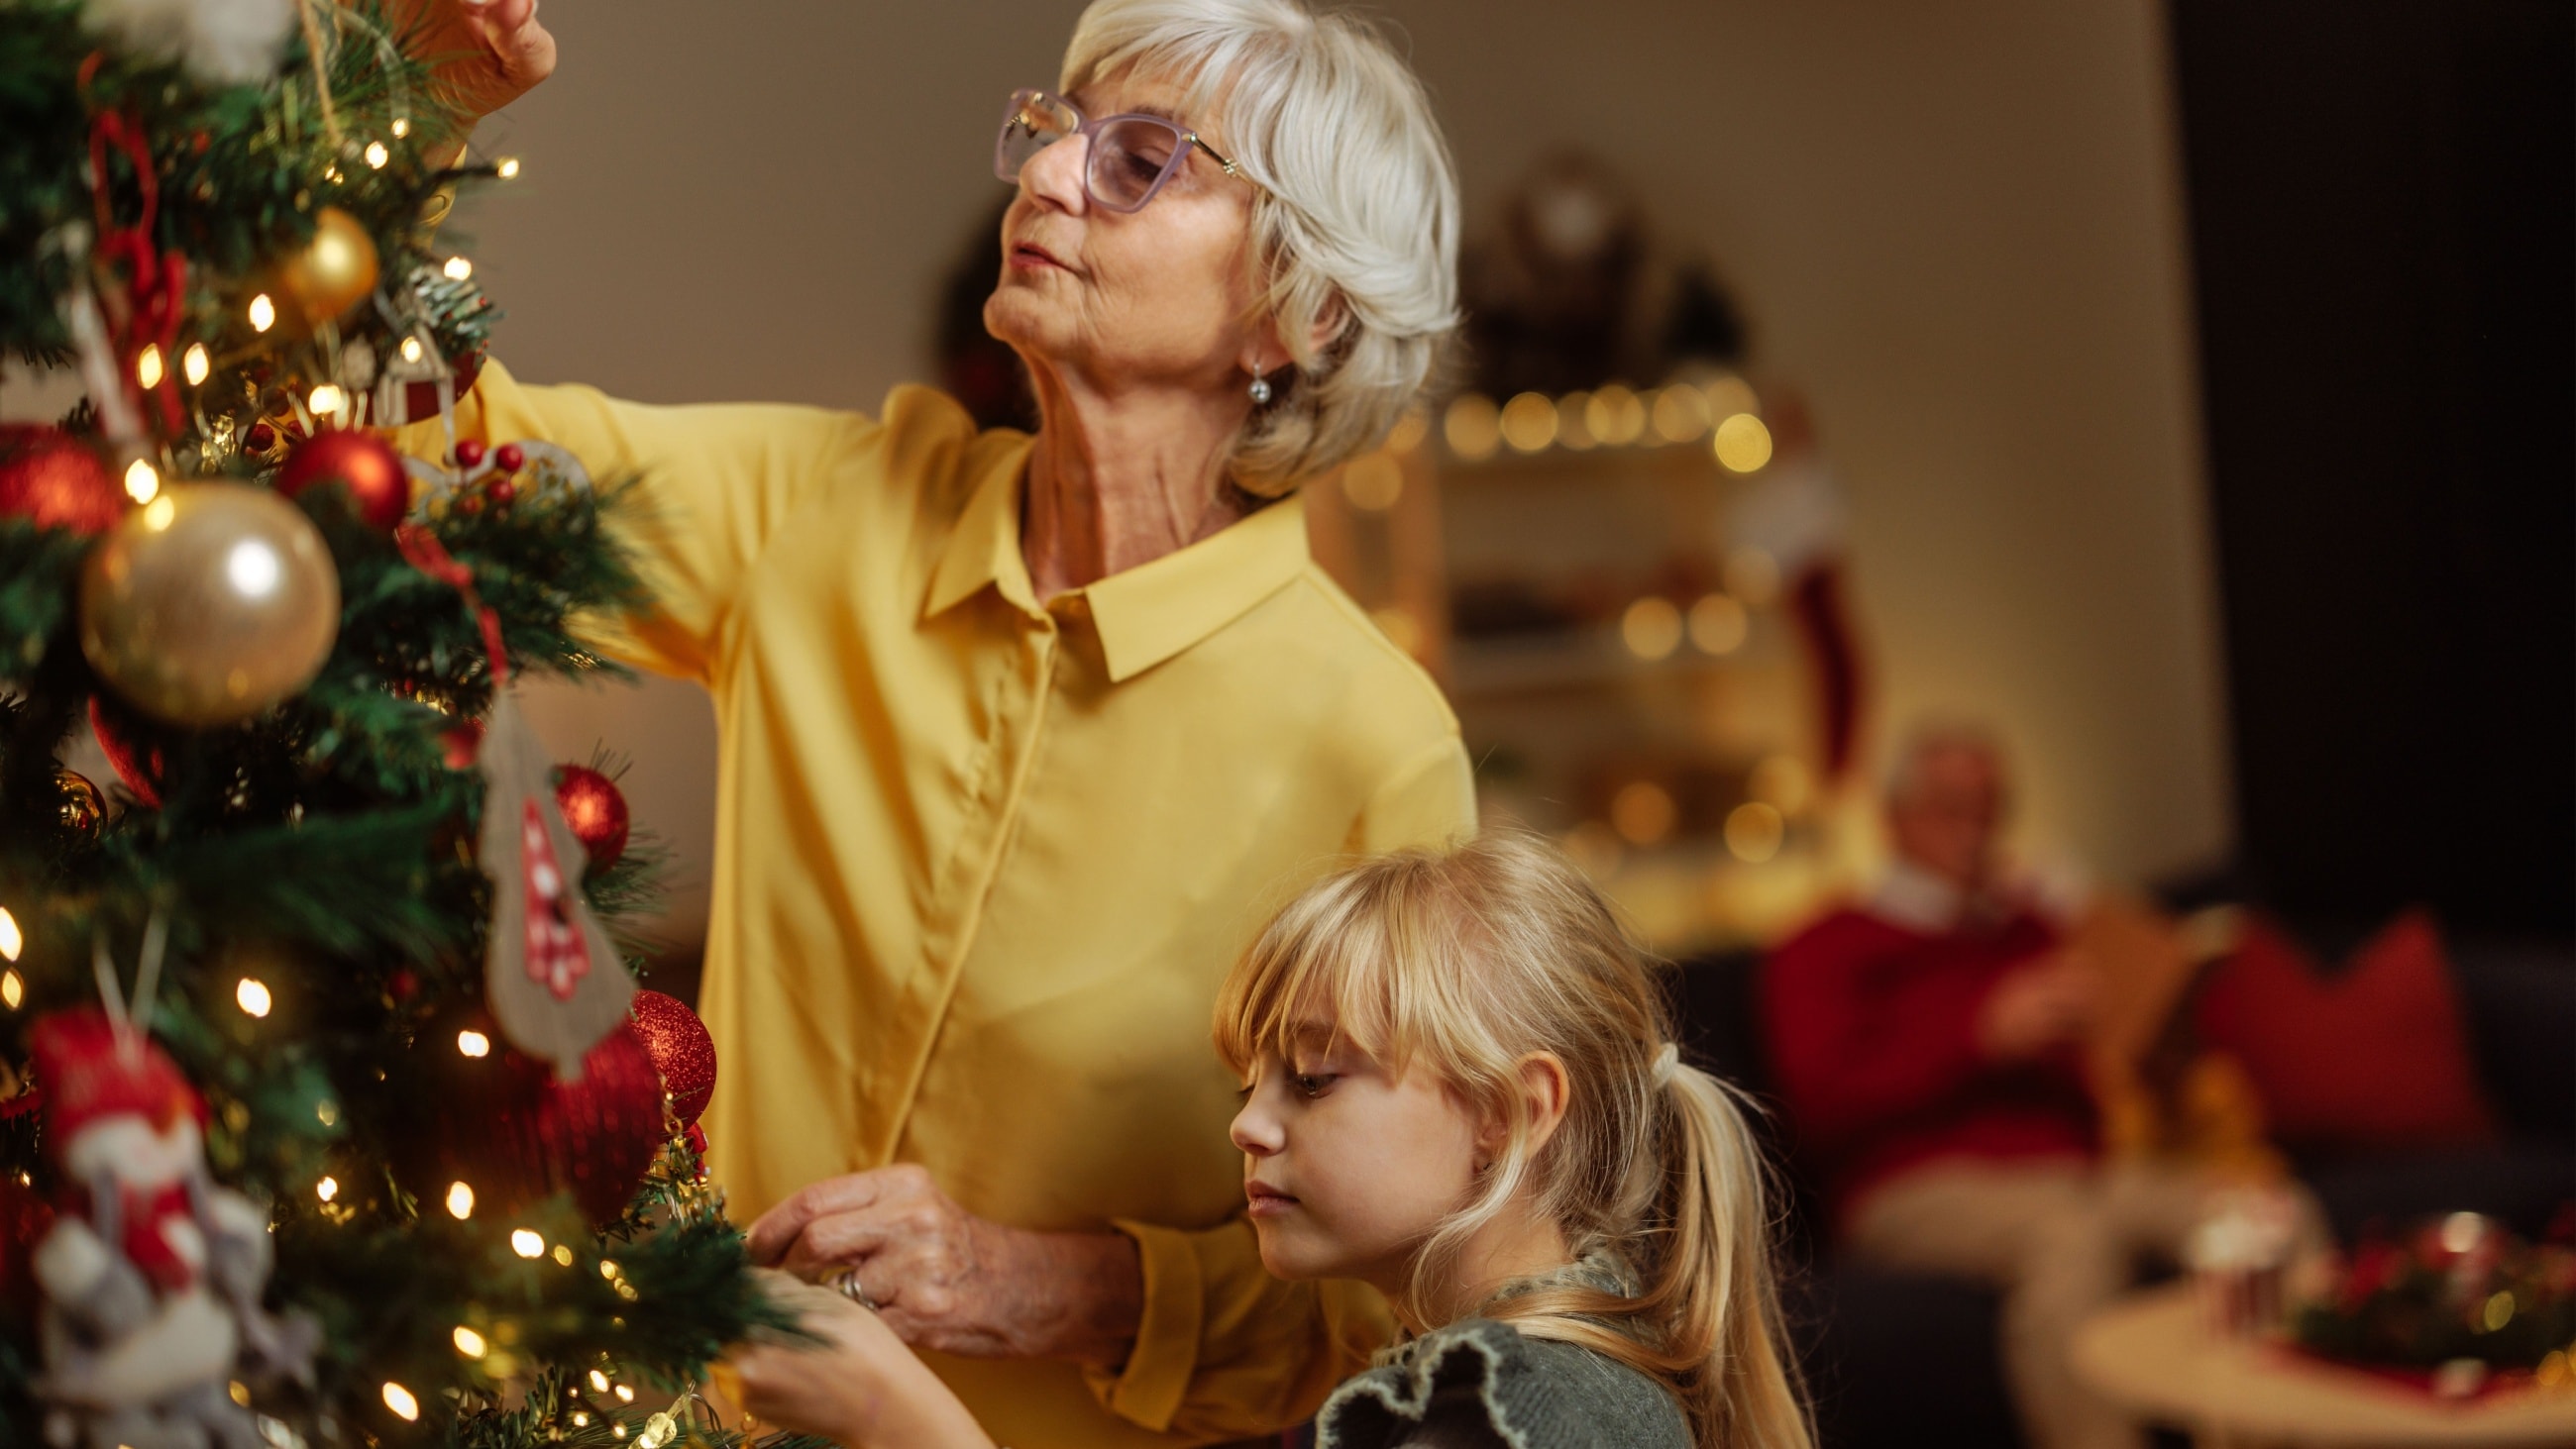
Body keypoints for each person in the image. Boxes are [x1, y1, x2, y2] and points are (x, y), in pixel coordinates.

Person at [399, 1, 1473, 1443]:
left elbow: (1392, 1297)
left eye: (1143, 160)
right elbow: (431, 478)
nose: (1043, 176)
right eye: (1053, 131)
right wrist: (417, 120)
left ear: (1301, 308)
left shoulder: (1375, 744)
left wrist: (1049, 1284)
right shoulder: (828, 509)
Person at [726, 831, 1814, 1449]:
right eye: (1252, 1079)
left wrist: (888, 1411)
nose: (1247, 1122)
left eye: (1314, 1076)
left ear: (1505, 1114)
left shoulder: (1509, 1412)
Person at [1762, 722, 2210, 1449]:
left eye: (1990, 808)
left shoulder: (2031, 928)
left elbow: (2107, 1075)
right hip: (1918, 1190)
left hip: (2073, 1171)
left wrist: (2149, 1026)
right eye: (1950, 808)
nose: (1975, 830)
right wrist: (1979, 1036)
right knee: (2073, 1240)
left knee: (2252, 1215)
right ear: (1895, 817)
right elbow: (1820, 1104)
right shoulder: (1822, 944)